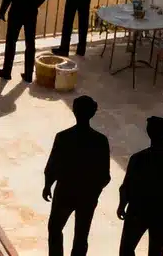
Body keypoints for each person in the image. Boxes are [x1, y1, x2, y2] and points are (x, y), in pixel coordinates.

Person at [44, 95, 111, 256]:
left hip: (65, 191)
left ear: (74, 111)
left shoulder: (63, 137)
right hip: (87, 195)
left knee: (55, 229)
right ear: (93, 113)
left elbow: (53, 165)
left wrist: (48, 185)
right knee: (81, 235)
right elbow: (105, 175)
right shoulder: (100, 141)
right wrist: (95, 191)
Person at [118, 116, 163, 256]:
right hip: (160, 212)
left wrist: (122, 205)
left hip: (137, 210)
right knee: (156, 252)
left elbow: (126, 186)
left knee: (126, 250)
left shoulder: (138, 158)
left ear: (148, 132)